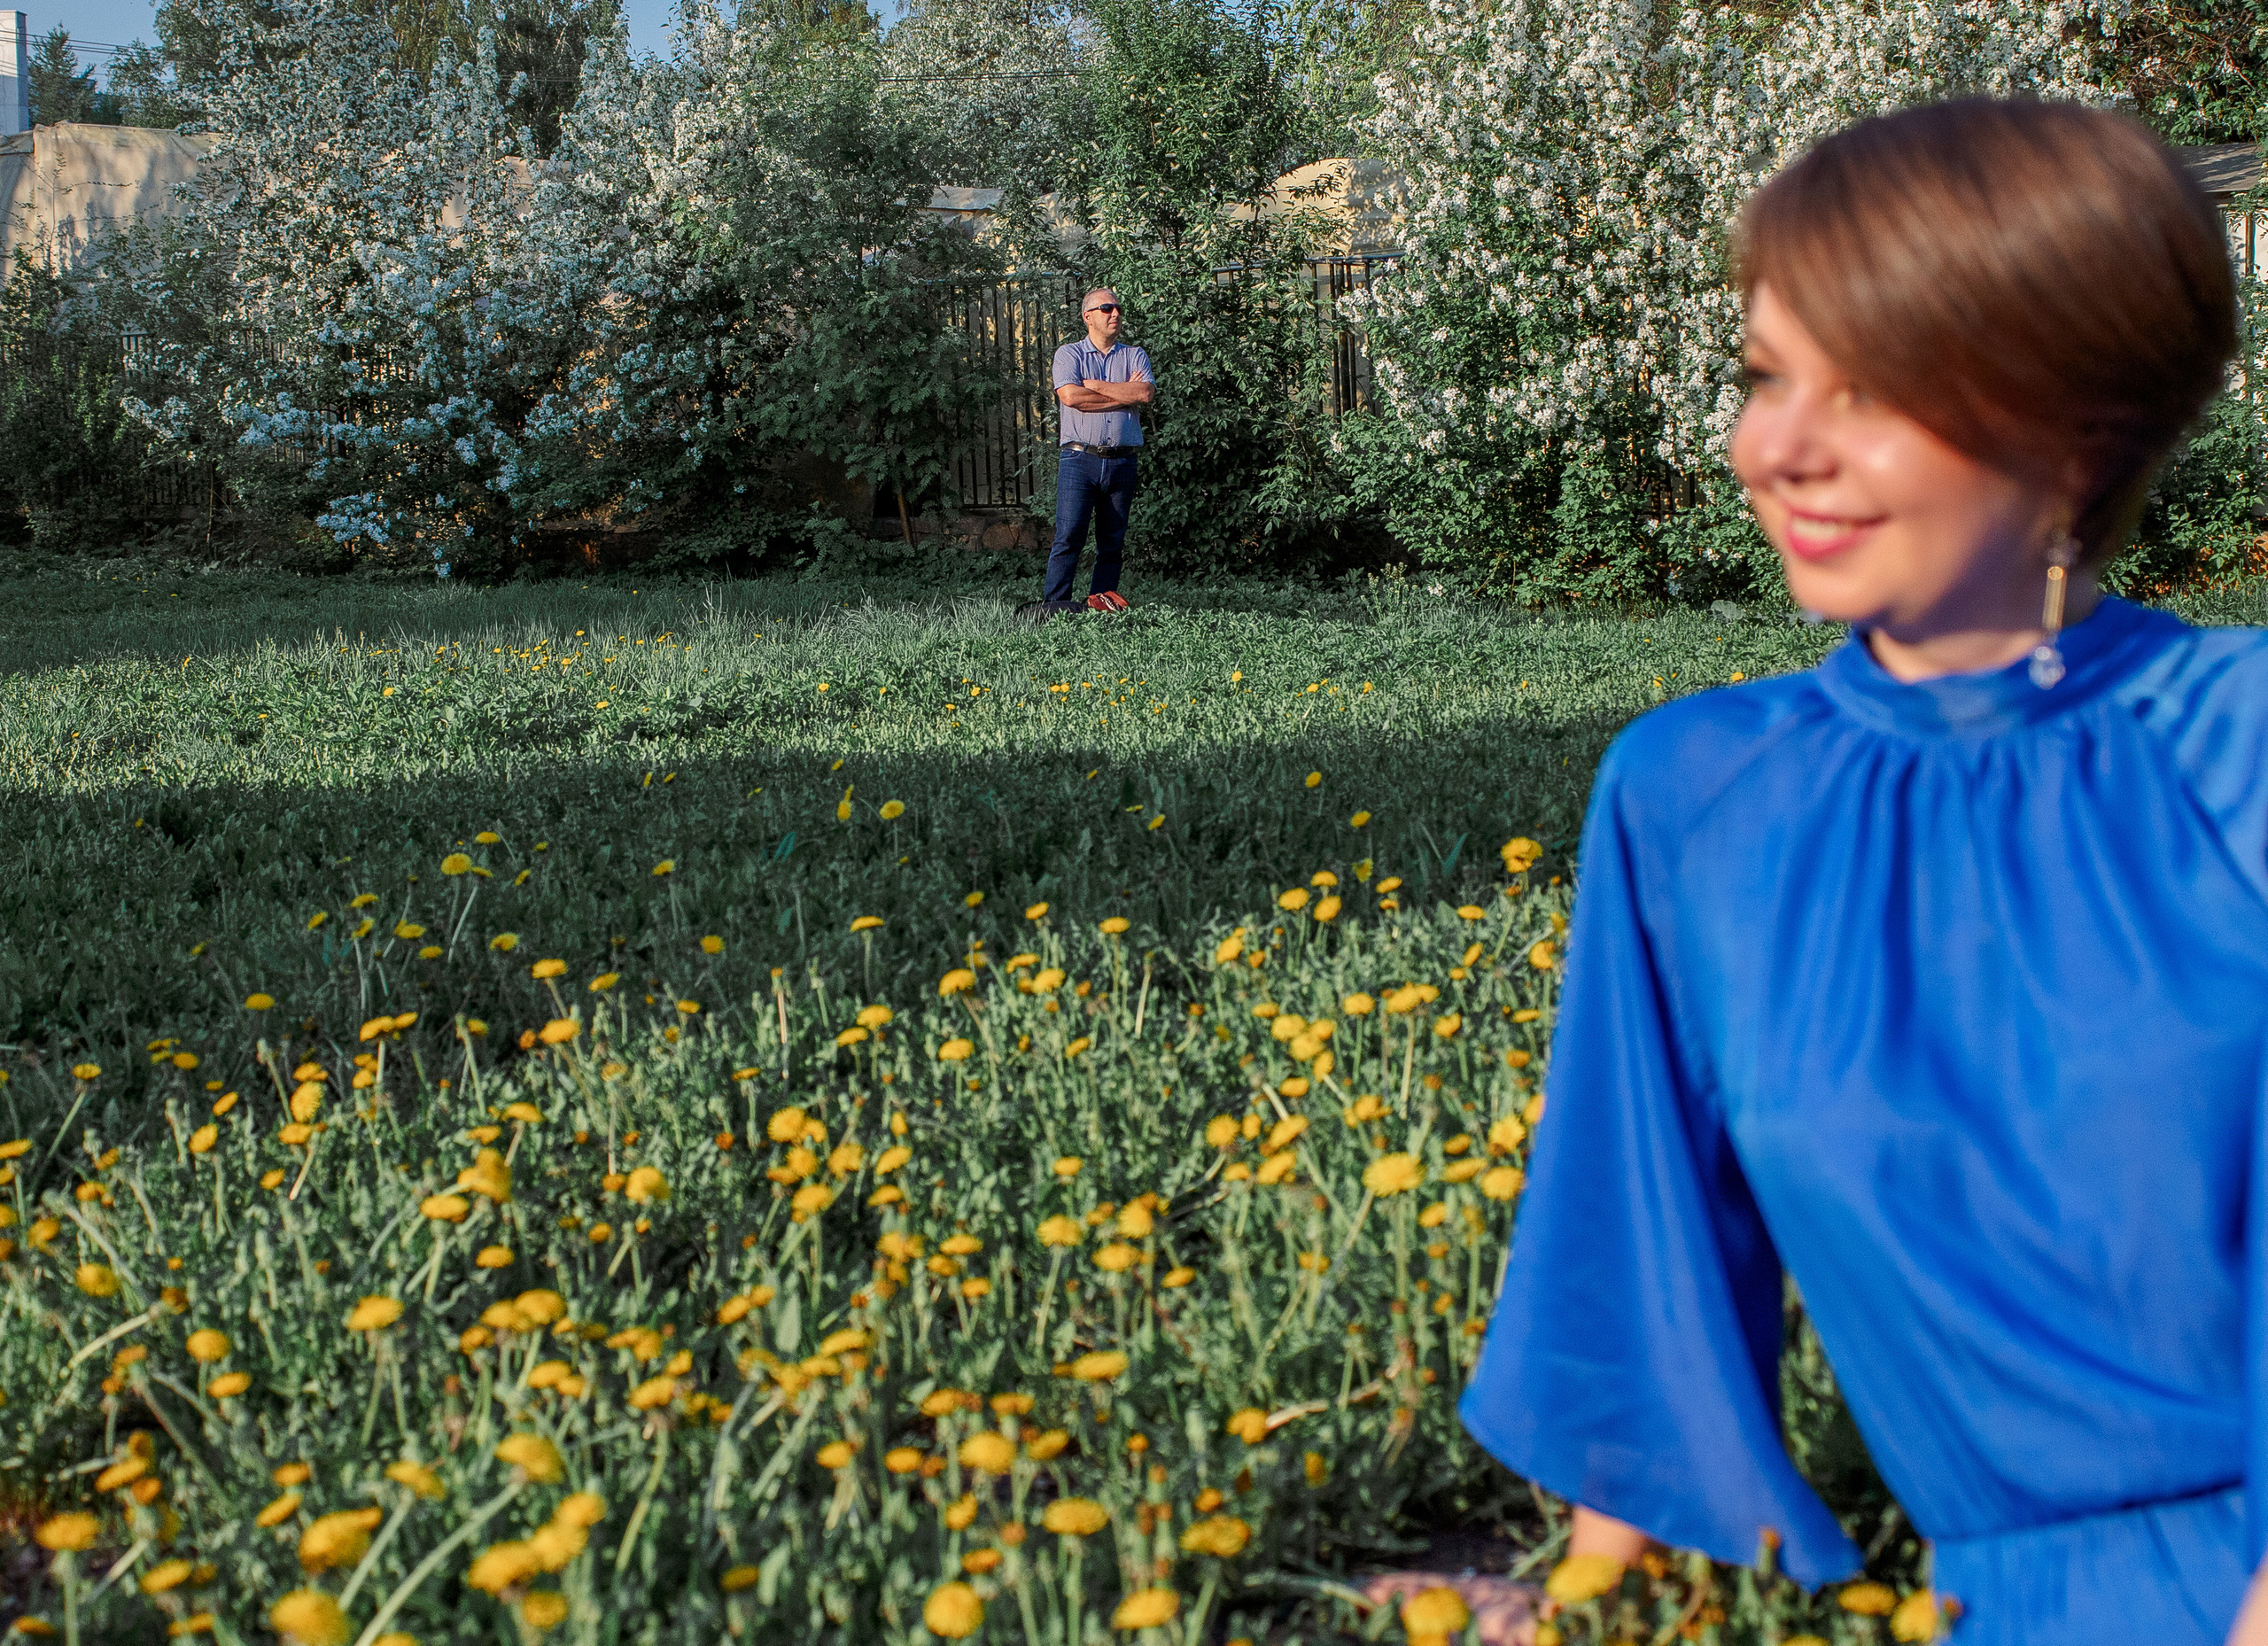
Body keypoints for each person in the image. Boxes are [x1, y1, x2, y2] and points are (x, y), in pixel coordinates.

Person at [1384, 98, 2259, 1645]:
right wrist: (1588, 1598)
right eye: (1766, 375)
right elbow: (1642, 1241)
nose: (1774, 446)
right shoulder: (1698, 792)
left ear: (2078, 426)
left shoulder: (2236, 749)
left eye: (1867, 389)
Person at [1023, 286, 1153, 620]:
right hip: (1079, 460)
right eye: (1107, 308)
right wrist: (1125, 397)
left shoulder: (1135, 354)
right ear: (1088, 316)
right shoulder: (1069, 355)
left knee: (1112, 542)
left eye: (1118, 308)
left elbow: (1145, 392)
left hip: (1123, 460)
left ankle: (1101, 609)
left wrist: (1094, 385)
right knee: (1068, 537)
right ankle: (1054, 610)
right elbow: (1071, 398)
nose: (1116, 314)